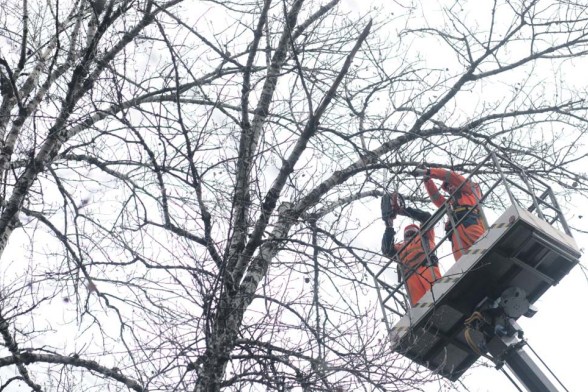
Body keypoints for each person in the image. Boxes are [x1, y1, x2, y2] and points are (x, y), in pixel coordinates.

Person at [412, 166, 487, 261]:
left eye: (451, 185)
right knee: (463, 262)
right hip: (454, 230)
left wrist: (428, 172)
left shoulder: (470, 189)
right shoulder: (451, 203)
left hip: (469, 220)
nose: (450, 188)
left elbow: (450, 176)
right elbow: (436, 198)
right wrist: (427, 180)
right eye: (448, 187)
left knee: (483, 246)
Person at [381, 193, 441, 306]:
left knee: (439, 294)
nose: (410, 234)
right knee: (420, 308)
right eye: (407, 233)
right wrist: (389, 226)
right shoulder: (400, 247)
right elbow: (386, 250)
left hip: (426, 266)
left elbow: (427, 217)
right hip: (409, 277)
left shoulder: (425, 234)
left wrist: (404, 211)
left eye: (412, 232)